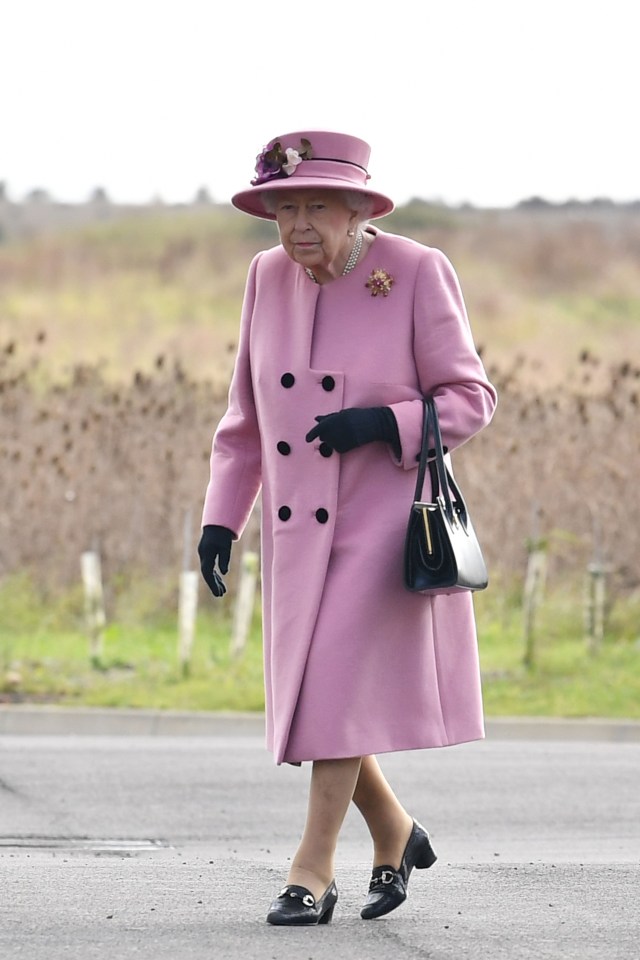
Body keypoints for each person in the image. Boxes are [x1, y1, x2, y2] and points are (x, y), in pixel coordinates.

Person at [198, 130, 497, 925]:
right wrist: (222, 520)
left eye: (316, 207)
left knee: (326, 691)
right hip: (299, 536)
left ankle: (311, 871)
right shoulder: (267, 277)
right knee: (320, 699)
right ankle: (396, 833)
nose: (297, 225)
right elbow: (246, 418)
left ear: (359, 207)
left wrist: (380, 423)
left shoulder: (416, 271)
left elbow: (471, 399)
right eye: (283, 207)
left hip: (379, 527)